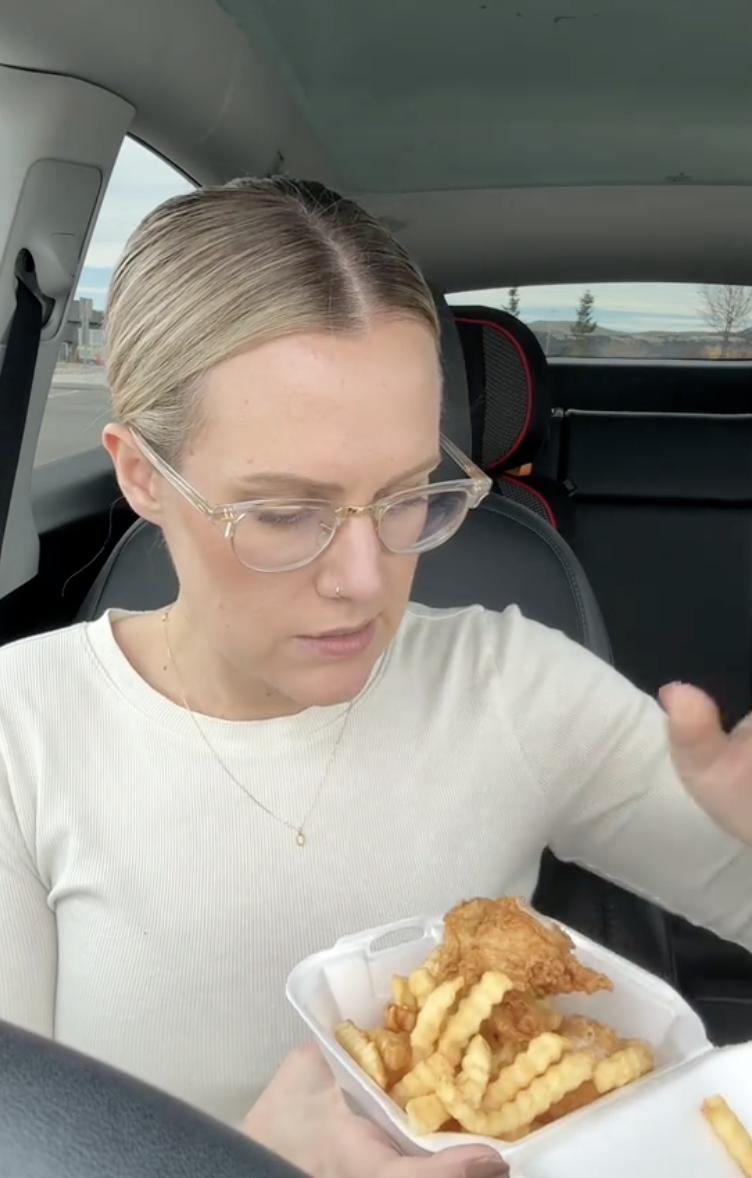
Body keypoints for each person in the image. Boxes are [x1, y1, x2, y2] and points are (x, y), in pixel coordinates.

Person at [1, 175, 752, 1178]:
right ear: (141, 472)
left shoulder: (509, 681)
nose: (365, 581)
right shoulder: (22, 728)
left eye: (409, 496)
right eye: (282, 510)